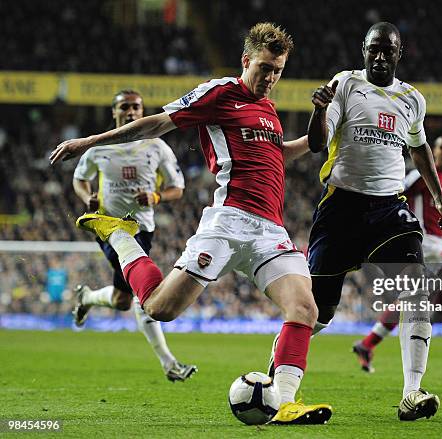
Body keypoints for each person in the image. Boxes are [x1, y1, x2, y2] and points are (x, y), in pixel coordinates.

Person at [50, 22, 331, 425]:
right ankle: (118, 234)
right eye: (265, 68)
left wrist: (321, 133)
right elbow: (157, 123)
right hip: (228, 222)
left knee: (304, 307)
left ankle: (283, 402)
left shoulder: (269, 111)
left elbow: (277, 157)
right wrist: (90, 142)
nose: (270, 78)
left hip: (270, 230)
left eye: (278, 71)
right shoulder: (220, 93)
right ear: (246, 60)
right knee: (160, 308)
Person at [304, 22, 442, 421]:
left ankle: (412, 391)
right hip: (341, 207)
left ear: (398, 53)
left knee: (416, 288)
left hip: (390, 208)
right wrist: (319, 110)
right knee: (316, 313)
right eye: (373, 49)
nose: (379, 56)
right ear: (363, 49)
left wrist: (440, 200)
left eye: (387, 50)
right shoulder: (345, 85)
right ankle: (275, 375)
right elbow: (319, 144)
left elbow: (419, 147)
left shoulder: (412, 99)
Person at [71, 89, 196, 382]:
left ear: (142, 111)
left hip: (143, 229)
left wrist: (155, 196)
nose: (130, 111)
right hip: (109, 227)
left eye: (136, 107)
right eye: (124, 107)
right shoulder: (99, 147)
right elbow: (79, 180)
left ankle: (87, 297)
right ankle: (170, 363)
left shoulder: (157, 147)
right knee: (145, 294)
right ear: (114, 113)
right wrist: (87, 197)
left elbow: (178, 189)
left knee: (122, 299)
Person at [354, 135, 442, 373]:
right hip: (419, 239)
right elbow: (394, 194)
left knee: (409, 300)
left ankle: (367, 344)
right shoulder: (420, 175)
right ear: (433, 151)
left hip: (439, 244)